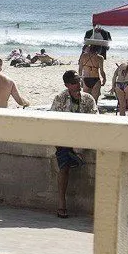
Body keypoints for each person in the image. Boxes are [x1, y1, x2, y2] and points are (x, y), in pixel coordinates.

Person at [49, 70, 97, 218]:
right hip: (65, 137)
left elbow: (95, 119)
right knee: (64, 165)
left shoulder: (88, 99)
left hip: (82, 136)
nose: (79, 85)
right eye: (75, 82)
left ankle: (77, 154)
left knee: (66, 160)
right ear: (67, 85)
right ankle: (61, 202)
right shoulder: (60, 98)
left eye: (79, 81)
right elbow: (53, 121)